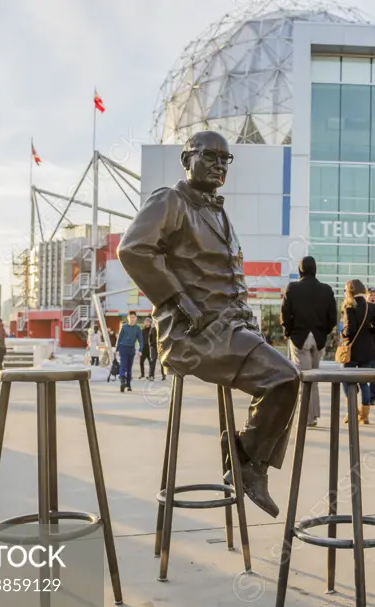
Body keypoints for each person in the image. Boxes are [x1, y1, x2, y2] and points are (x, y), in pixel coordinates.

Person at [118, 130, 299, 517]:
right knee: (284, 378)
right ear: (187, 159)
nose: (219, 164)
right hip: (194, 334)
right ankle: (246, 465)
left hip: (230, 329)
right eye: (210, 156)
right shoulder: (170, 200)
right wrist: (178, 300)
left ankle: (246, 461)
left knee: (286, 378)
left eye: (225, 159)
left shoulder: (218, 211)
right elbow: (133, 248)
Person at [281, 255, 337, 428]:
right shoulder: (326, 290)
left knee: (303, 378)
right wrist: (322, 332)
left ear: (300, 270)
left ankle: (306, 416)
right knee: (314, 377)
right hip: (319, 339)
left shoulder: (292, 288)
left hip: (299, 339)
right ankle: (313, 415)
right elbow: (332, 318)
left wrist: (288, 332)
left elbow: (285, 314)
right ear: (315, 270)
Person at [340, 280, 375, 425]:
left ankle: (352, 411)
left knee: (346, 380)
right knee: (364, 383)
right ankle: (364, 416)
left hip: (352, 351)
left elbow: (350, 330)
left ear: (349, 291)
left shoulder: (349, 307)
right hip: (368, 350)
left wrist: (342, 333)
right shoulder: (372, 307)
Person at [116, 311, 143, 393]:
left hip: (131, 349)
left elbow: (140, 340)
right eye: (130, 317)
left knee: (129, 367)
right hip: (123, 347)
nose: (132, 319)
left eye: (133, 317)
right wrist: (116, 349)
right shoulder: (124, 327)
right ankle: (122, 382)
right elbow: (119, 338)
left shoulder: (137, 328)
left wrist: (140, 350)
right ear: (128, 318)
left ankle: (128, 384)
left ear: (136, 318)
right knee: (123, 364)